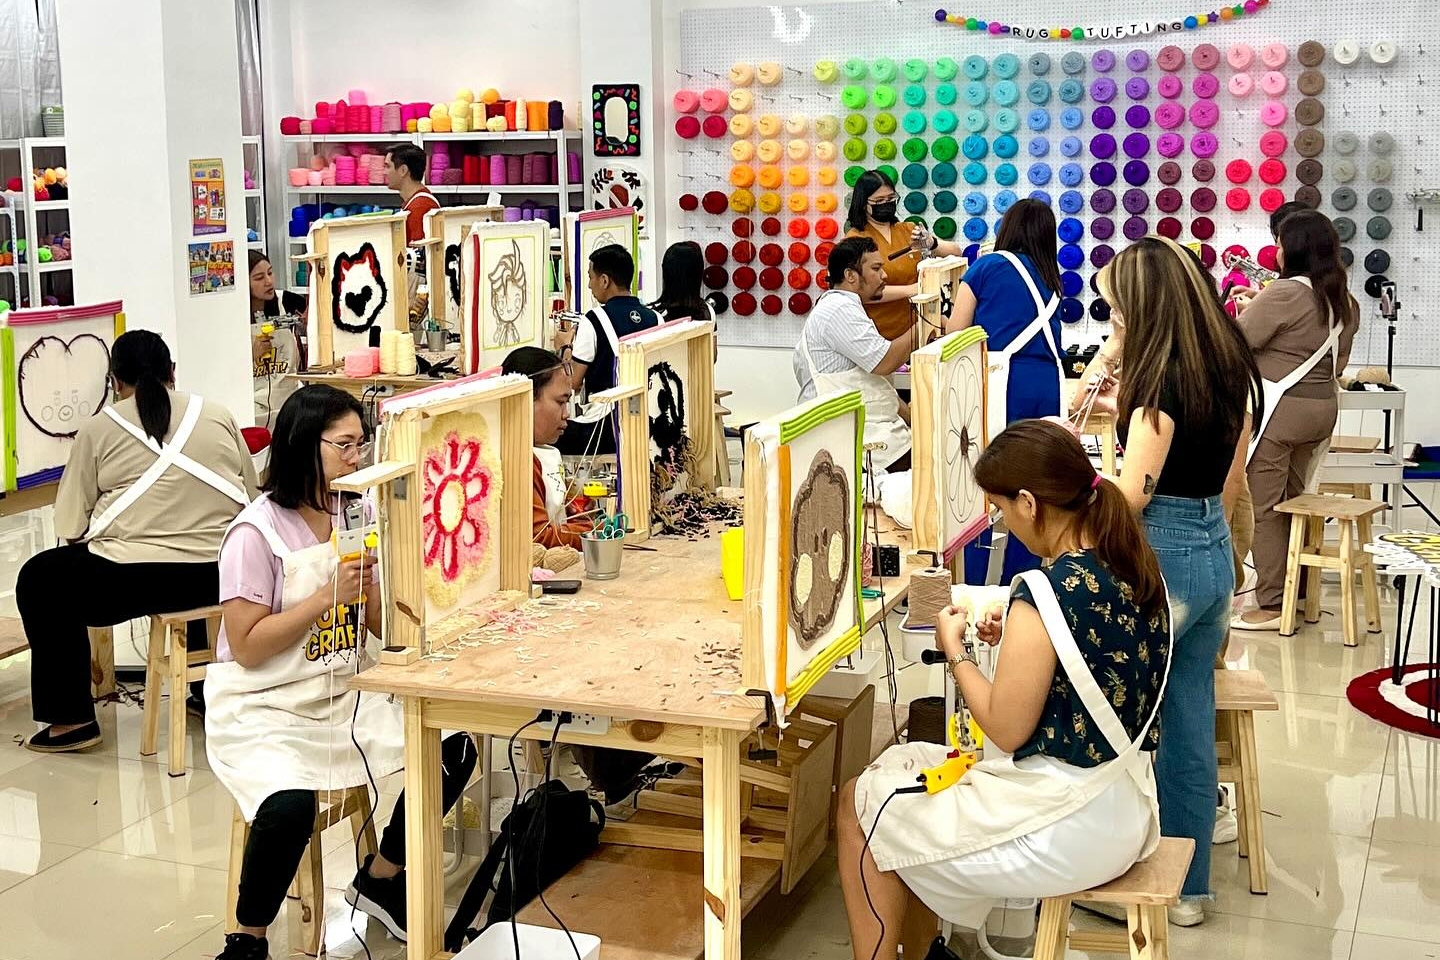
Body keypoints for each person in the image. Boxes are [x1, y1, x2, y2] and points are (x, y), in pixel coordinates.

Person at [838, 420, 1172, 959]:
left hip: (1069, 825)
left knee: (862, 806)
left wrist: (956, 651)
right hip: (1128, 806)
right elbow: (1095, 668)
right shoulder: (1132, 563)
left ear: (1029, 503)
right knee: (907, 768)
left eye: (1000, 509)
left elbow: (1006, 729)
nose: (1004, 523)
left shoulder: (1046, 592)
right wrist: (1019, 637)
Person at [205, 385, 475, 959]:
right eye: (345, 446)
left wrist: (389, 597)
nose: (357, 458)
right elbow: (247, 646)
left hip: (340, 692)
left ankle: (382, 874)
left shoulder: (355, 510)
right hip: (263, 704)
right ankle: (247, 938)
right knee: (288, 807)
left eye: (361, 444)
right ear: (304, 445)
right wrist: (324, 598)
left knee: (451, 746)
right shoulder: (255, 534)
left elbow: (374, 623)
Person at [1096, 235, 1262, 923]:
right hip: (1210, 551)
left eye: (1118, 311)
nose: (1113, 323)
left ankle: (1126, 880)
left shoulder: (1159, 386)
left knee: (1116, 720)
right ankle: (1189, 891)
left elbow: (1132, 495)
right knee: (1190, 727)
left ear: (1143, 308)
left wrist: (1081, 486)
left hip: (1162, 557)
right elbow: (1222, 474)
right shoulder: (1223, 366)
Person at [21, 330, 257, 753]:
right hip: (221, 575)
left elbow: (70, 524)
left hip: (134, 581)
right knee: (191, 558)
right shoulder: (217, 414)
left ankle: (71, 721)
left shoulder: (98, 429)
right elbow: (252, 495)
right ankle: (205, 692)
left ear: (115, 381)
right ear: (172, 371)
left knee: (40, 579)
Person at [1232, 210, 1358, 630]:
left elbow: (1236, 343)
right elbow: (1338, 364)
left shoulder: (1284, 293)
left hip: (1279, 413)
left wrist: (1251, 308)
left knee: (1266, 507)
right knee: (1296, 501)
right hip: (1320, 413)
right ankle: (1297, 593)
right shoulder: (1343, 300)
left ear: (1293, 249)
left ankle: (1272, 604)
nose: (1277, 251)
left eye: (1281, 244)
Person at [949, 199, 1065, 586]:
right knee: (1034, 485)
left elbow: (955, 334)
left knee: (985, 481)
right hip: (1048, 384)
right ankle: (1023, 584)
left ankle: (974, 584)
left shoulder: (987, 266)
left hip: (1003, 383)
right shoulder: (1052, 277)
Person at [792, 236, 915, 472]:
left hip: (870, 432)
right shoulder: (838, 310)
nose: (884, 276)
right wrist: (922, 327)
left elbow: (873, 383)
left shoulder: (848, 308)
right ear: (850, 275)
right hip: (855, 439)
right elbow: (884, 362)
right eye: (876, 269)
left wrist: (910, 417)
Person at [556, 243, 660, 456]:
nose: (589, 285)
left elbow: (573, 382)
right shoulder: (656, 318)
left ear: (604, 281)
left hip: (606, 429)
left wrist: (565, 348)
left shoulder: (593, 319)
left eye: (590, 277)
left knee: (545, 433)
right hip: (651, 425)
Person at [501, 346, 594, 549]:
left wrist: (575, 514)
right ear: (527, 400)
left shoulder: (541, 454)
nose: (566, 414)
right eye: (561, 402)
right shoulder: (517, 463)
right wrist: (591, 532)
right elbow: (539, 537)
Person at [845, 169, 931, 339]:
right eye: (879, 201)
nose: (886, 203)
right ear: (863, 203)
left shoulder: (908, 230)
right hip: (880, 333)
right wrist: (910, 290)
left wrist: (931, 242)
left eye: (891, 198)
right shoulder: (855, 240)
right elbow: (860, 291)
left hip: (917, 327)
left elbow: (955, 252)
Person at [248, 250, 302, 431]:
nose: (268, 281)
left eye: (270, 273)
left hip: (288, 400)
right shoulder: (232, 317)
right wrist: (250, 355)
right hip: (253, 407)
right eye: (259, 278)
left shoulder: (286, 301)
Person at [384, 143, 439, 245]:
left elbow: (416, 252)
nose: (384, 172)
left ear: (403, 170)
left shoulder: (420, 208)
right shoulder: (416, 203)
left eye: (387, 166)